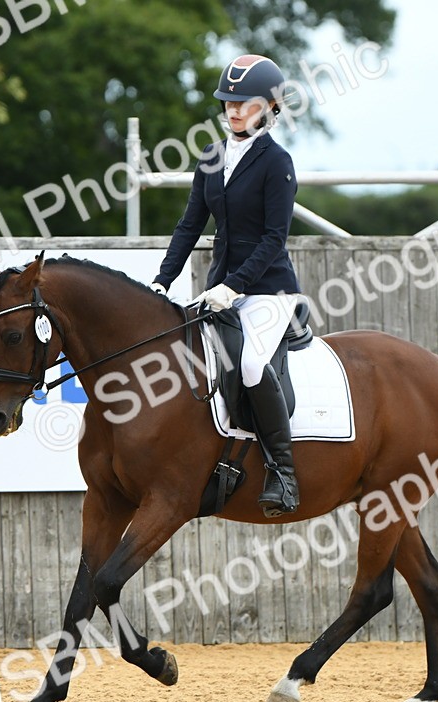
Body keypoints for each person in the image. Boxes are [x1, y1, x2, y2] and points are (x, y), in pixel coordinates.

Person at [152, 54, 301, 518]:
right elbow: (190, 224)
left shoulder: (277, 162)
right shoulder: (212, 156)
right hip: (220, 289)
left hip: (269, 291)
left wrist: (235, 286)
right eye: (228, 103)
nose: (233, 111)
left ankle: (283, 471)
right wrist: (162, 279)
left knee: (253, 365)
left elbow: (276, 237)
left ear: (270, 107)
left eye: (245, 103)